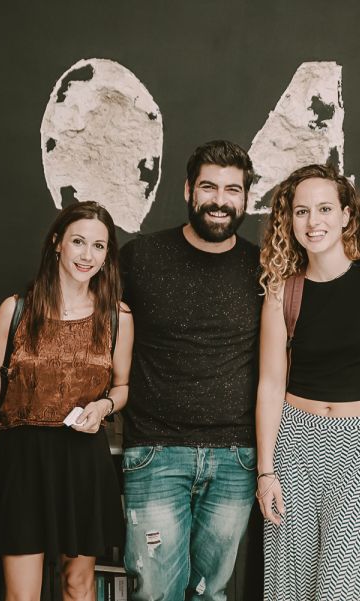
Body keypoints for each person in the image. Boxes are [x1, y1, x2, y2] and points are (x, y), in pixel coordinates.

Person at [255, 163, 360, 600]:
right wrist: (266, 472)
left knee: (348, 587)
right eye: (301, 211)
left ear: (346, 215)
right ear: (289, 220)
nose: (313, 221)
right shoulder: (283, 291)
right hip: (295, 442)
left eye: (325, 209)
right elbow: (270, 385)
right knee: (292, 585)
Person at [119, 140, 262, 601]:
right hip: (155, 452)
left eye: (232, 190)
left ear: (246, 197)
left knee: (211, 592)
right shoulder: (140, 257)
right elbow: (84, 311)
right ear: (187, 190)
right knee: (154, 593)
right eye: (209, 187)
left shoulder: (264, 267)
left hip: (237, 457)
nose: (220, 200)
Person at [0, 201, 133, 601]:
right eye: (78, 242)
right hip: (22, 460)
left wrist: (104, 407)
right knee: (21, 594)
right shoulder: (16, 309)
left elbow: (122, 387)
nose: (87, 255)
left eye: (98, 246)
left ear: (107, 255)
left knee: (78, 585)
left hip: (82, 459)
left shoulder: (117, 316)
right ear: (57, 243)